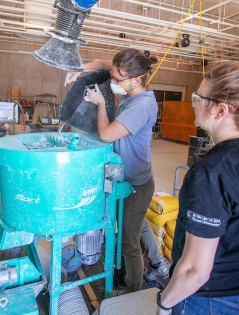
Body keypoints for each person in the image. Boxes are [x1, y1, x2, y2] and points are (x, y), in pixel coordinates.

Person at [156, 58, 239, 315]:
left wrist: (164, 303)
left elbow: (195, 271)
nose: (194, 105)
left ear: (221, 110)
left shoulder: (211, 172)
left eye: (198, 98)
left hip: (216, 299)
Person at [66, 48, 168, 293]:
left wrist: (101, 103)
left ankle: (133, 289)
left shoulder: (140, 105)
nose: (113, 82)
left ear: (137, 79)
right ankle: (158, 262)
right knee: (138, 225)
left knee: (128, 243)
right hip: (128, 179)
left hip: (136, 183)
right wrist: (84, 68)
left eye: (118, 79)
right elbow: (109, 66)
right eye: (113, 76)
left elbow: (106, 133)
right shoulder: (132, 93)